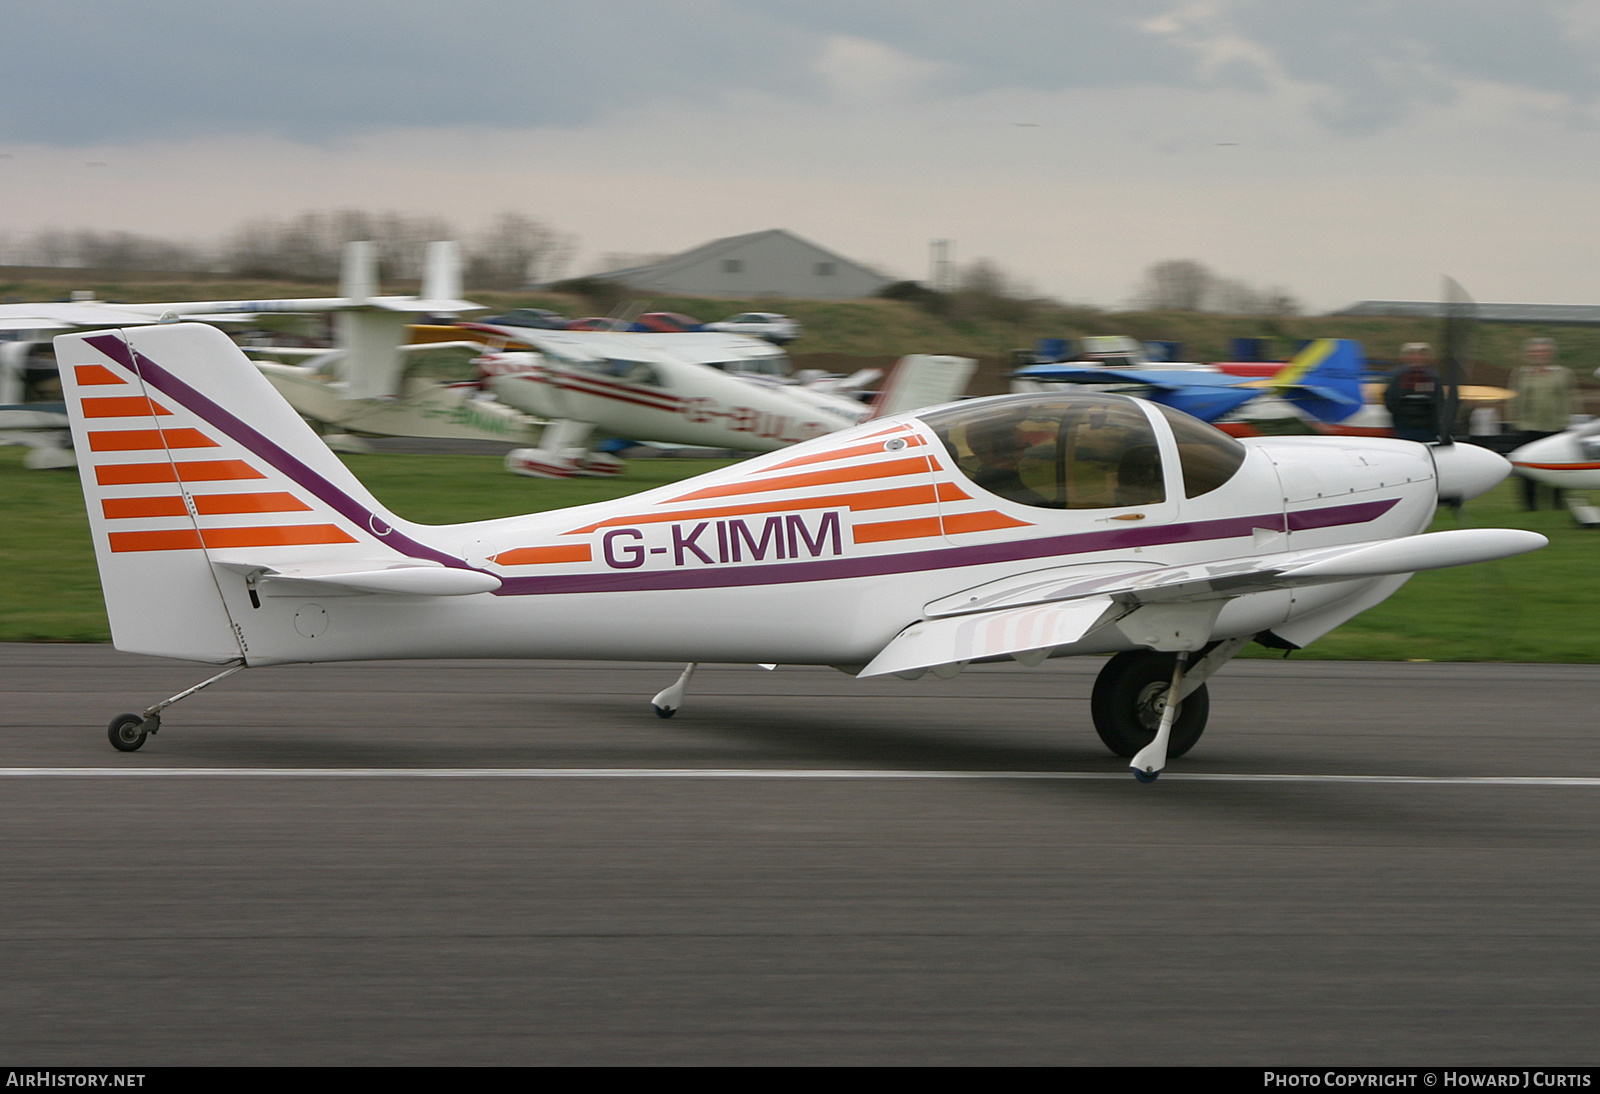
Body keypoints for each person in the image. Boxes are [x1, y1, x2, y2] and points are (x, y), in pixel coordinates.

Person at [1508, 337, 1577, 510]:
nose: (1539, 354)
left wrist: (1571, 421)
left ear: (1551, 354)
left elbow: (1571, 398)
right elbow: (1514, 400)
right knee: (1528, 468)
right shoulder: (1521, 374)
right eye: (1535, 351)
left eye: (1543, 351)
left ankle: (1557, 503)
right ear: (1529, 355)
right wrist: (1513, 422)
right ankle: (1529, 504)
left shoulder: (1564, 373)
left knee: (1558, 466)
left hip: (1556, 427)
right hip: (1528, 427)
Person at [1383, 342, 1444, 443]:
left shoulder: (1433, 378)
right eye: (1412, 354)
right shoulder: (1398, 377)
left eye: (1421, 354)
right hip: (1404, 429)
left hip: (1429, 430)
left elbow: (1439, 402)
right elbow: (1390, 400)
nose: (1417, 358)